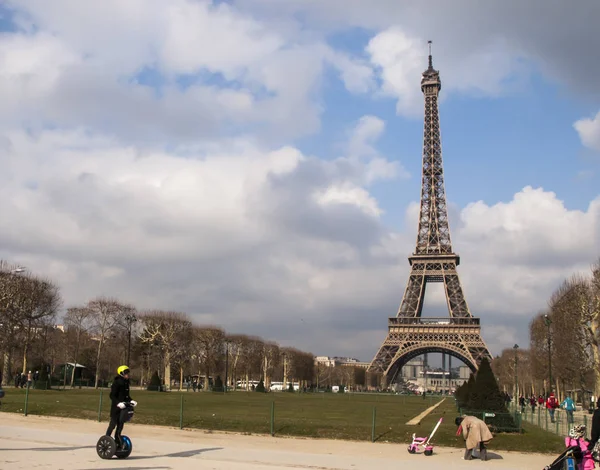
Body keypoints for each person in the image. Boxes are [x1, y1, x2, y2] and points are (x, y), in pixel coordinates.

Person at [105, 365, 137, 447]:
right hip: (116, 408)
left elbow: (126, 396)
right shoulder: (117, 382)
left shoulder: (126, 383)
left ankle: (117, 438)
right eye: (126, 373)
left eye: (128, 373)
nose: (127, 374)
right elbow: (112, 395)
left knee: (120, 424)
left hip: (124, 408)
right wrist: (118, 403)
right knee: (113, 424)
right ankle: (106, 438)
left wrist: (131, 400)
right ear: (121, 373)